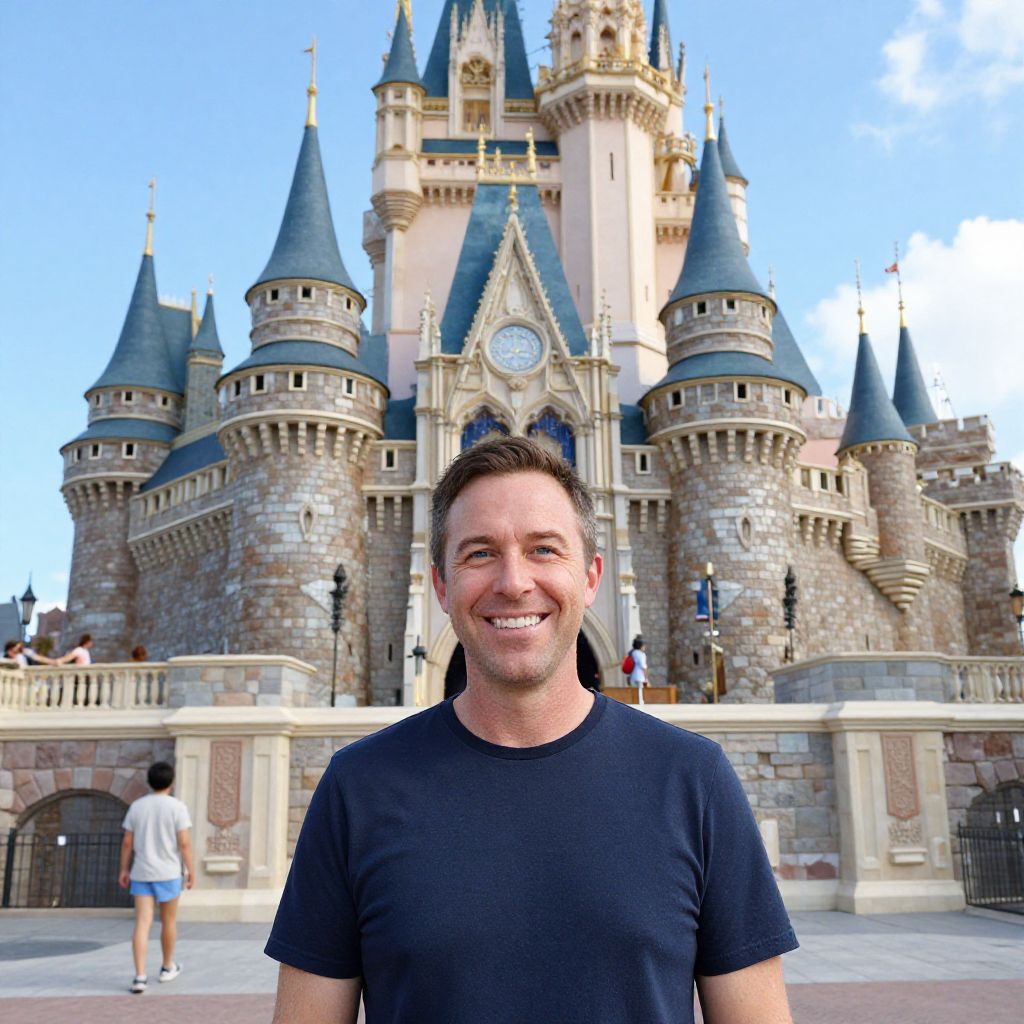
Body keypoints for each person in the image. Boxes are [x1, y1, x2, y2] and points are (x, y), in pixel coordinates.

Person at [265, 437, 797, 1024]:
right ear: (440, 586)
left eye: (544, 548)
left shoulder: (693, 782)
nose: (514, 582)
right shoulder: (357, 789)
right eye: (479, 553)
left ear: (591, 577)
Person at [118, 761, 194, 995]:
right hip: (168, 873)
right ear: (171, 781)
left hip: (142, 871)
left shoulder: (137, 807)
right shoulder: (177, 807)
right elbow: (184, 843)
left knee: (142, 923)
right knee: (168, 921)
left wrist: (124, 869)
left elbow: (127, 842)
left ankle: (140, 976)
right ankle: (167, 966)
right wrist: (191, 870)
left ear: (149, 782)